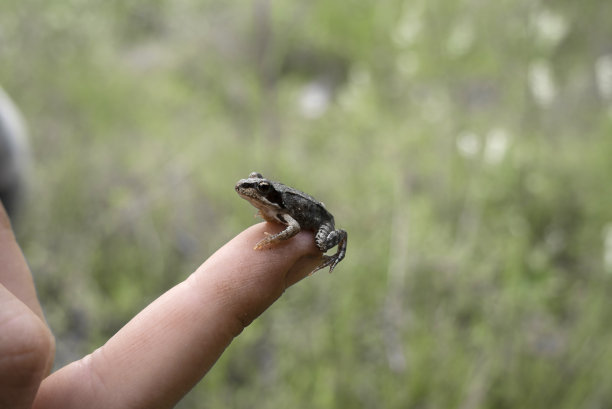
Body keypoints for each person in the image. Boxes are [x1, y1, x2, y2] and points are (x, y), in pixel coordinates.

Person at [0, 202, 323, 409]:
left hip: (316, 220)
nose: (251, 190)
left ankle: (334, 251)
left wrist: (269, 241)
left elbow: (294, 229)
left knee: (319, 241)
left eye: (262, 189)